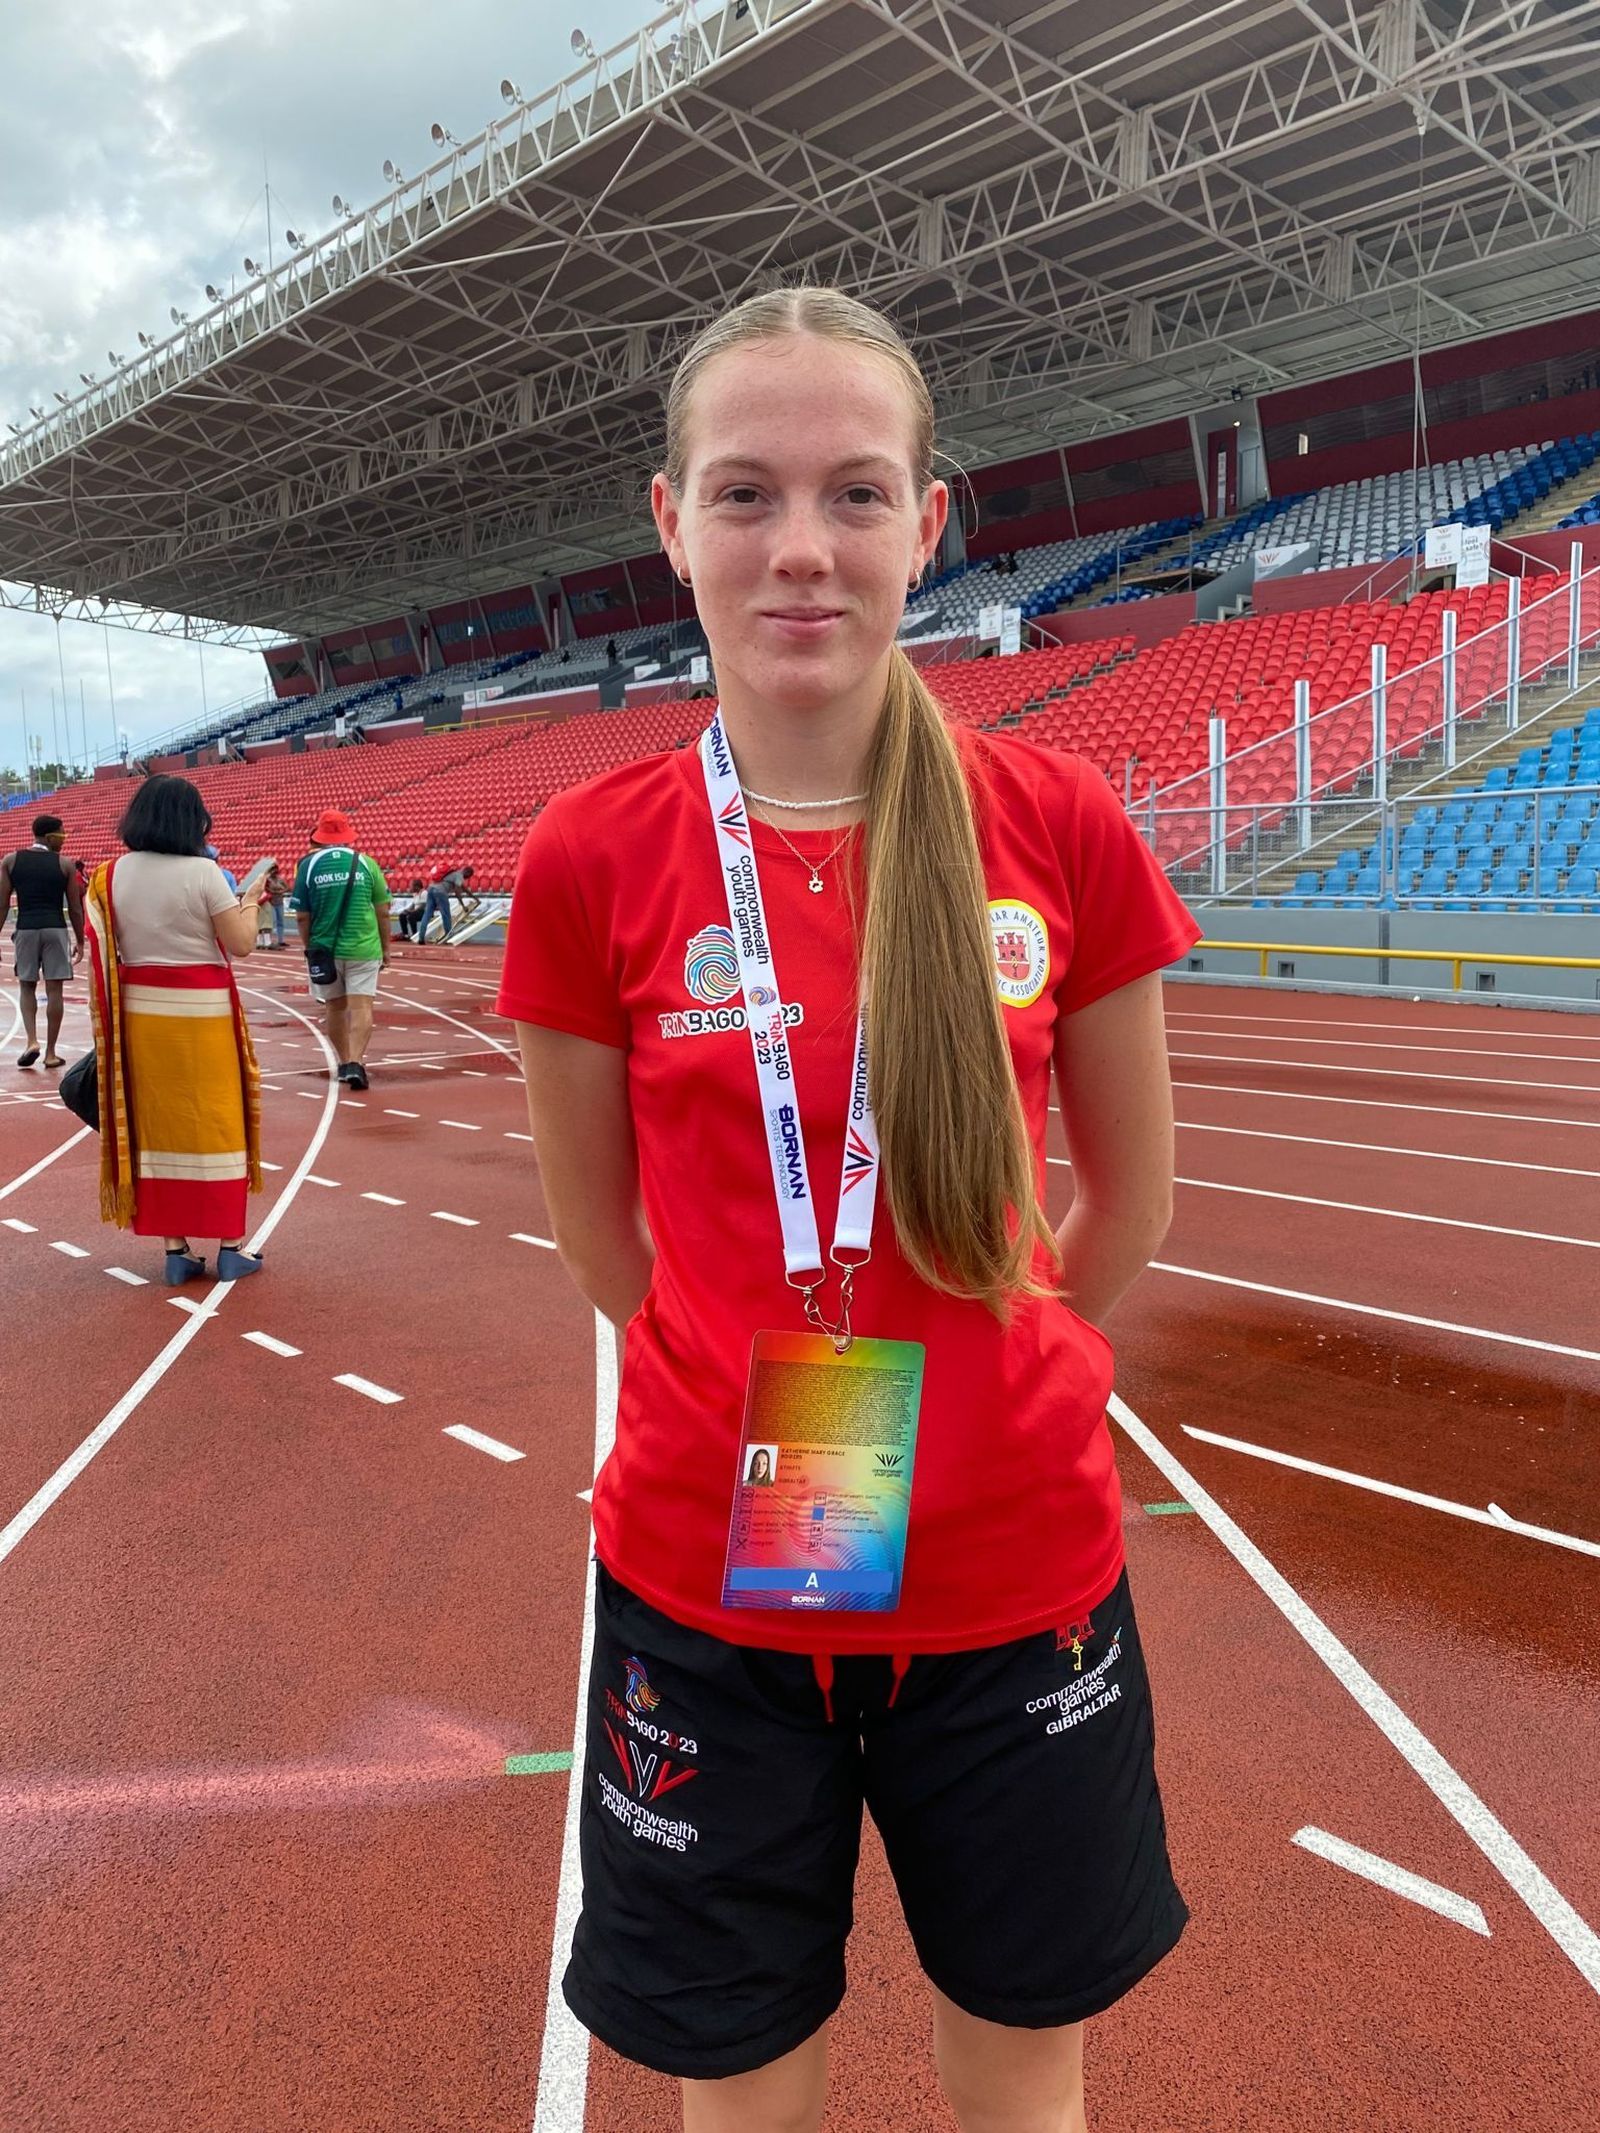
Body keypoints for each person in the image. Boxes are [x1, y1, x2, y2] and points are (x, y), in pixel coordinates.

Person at [499, 287, 1201, 2133]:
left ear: (929, 523)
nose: (800, 547)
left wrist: (991, 1362)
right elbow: (605, 1249)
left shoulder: (1063, 818)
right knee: (737, 2071)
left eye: (854, 493)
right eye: (745, 494)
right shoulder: (589, 858)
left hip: (1017, 1572)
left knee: (1022, 2057)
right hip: (708, 1579)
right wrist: (768, 1359)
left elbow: (1128, 1199)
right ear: (669, 522)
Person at [84, 776, 264, 1285]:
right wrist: (250, 899)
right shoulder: (205, 873)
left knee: (159, 1126)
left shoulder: (108, 875)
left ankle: (175, 1250)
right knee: (218, 1122)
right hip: (202, 1013)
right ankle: (230, 1244)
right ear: (193, 821)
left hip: (143, 1017)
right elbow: (243, 944)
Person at [292, 810, 390, 1090]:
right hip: (364, 946)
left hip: (325, 949)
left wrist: (310, 947)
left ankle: (344, 1060)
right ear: (347, 834)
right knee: (361, 1007)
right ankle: (357, 1062)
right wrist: (386, 950)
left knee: (335, 1008)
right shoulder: (366, 863)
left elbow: (301, 916)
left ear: (319, 836)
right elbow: (383, 911)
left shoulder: (308, 866)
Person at [0, 815, 85, 1069]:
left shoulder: (11, 861)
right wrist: (80, 941)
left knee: (27, 986)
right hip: (56, 929)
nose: (64, 840)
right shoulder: (65, 864)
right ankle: (50, 1053)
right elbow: (75, 908)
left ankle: (31, 1041)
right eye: (61, 836)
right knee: (54, 989)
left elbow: (2, 904)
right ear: (49, 838)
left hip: (26, 929)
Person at [417, 860, 459, 944]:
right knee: (445, 915)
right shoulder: (456, 876)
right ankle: (449, 936)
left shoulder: (440, 874)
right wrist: (460, 900)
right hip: (441, 892)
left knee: (427, 914)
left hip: (431, 888)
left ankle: (421, 937)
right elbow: (458, 890)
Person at [393, 877, 427, 941]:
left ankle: (415, 935)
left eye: (412, 886)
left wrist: (413, 911)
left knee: (411, 916)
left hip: (423, 912)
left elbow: (423, 905)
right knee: (402, 915)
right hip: (416, 911)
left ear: (417, 886)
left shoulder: (424, 893)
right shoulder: (415, 894)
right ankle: (405, 935)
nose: (411, 888)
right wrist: (407, 910)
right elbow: (413, 904)